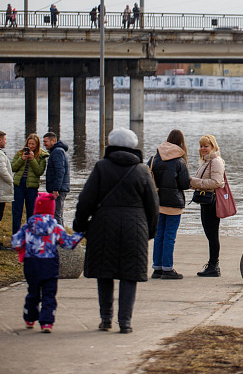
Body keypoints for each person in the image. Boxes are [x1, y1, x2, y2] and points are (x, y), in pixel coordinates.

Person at [73, 128, 158, 334]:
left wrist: (80, 225)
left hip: (103, 224)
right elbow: (152, 205)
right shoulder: (141, 171)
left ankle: (106, 318)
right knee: (130, 275)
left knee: (105, 271)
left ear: (111, 144)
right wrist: (149, 231)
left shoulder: (102, 167)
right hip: (134, 226)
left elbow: (86, 199)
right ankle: (125, 321)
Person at [11, 192, 83, 333]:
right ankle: (46, 322)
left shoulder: (27, 226)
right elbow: (68, 244)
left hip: (31, 264)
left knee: (33, 292)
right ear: (51, 209)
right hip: (50, 265)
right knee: (49, 294)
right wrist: (80, 234)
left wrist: (23, 246)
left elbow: (16, 243)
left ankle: (30, 318)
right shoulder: (55, 227)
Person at [148, 129, 190, 279]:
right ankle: (167, 268)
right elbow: (185, 184)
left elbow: (146, 177)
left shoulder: (154, 158)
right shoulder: (179, 161)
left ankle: (157, 268)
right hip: (173, 204)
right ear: (181, 143)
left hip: (157, 202)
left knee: (159, 235)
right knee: (170, 236)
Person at [189, 134, 225, 277]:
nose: (203, 148)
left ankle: (213, 266)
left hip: (212, 202)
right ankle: (212, 264)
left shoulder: (215, 161)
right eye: (201, 146)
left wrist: (194, 182)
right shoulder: (205, 161)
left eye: (206, 146)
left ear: (213, 146)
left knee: (212, 235)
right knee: (210, 234)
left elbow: (217, 182)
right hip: (205, 201)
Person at [11, 134, 48, 234]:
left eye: (33, 144)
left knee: (31, 212)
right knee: (16, 211)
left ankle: (30, 236)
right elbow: (13, 168)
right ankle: (16, 236)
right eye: (29, 143)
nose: (31, 146)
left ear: (37, 145)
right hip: (19, 185)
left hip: (32, 187)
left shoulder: (41, 156)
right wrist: (22, 159)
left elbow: (39, 172)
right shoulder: (20, 153)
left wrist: (32, 160)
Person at [43, 132, 70, 226]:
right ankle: (60, 236)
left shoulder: (57, 152)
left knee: (56, 215)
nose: (44, 144)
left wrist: (56, 189)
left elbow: (60, 172)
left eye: (46, 141)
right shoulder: (57, 151)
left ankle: (60, 237)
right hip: (59, 188)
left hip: (58, 189)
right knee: (57, 214)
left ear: (53, 141)